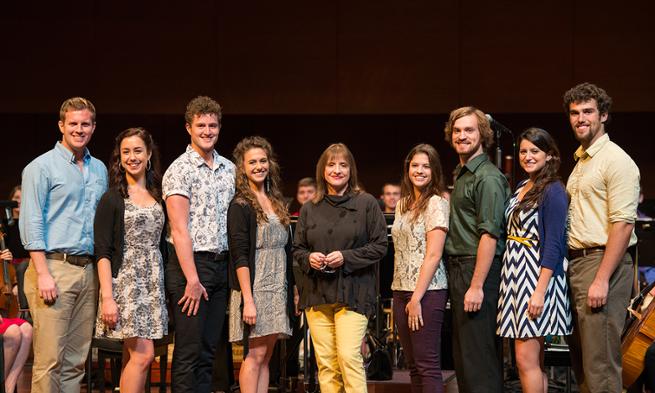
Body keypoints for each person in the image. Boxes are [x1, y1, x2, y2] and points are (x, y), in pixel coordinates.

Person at [19, 97, 108, 393]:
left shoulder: (99, 170)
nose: (79, 129)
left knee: (76, 362)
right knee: (49, 360)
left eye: (85, 124)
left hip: (88, 270)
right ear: (61, 125)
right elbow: (32, 222)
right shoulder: (41, 167)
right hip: (54, 267)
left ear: (93, 127)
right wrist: (43, 272)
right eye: (73, 123)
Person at [563, 82, 640, 393]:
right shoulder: (583, 160)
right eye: (574, 113)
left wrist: (602, 278)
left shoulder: (616, 160)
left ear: (604, 115)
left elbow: (622, 225)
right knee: (583, 361)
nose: (581, 118)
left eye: (588, 111)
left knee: (601, 364)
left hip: (602, 262)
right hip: (579, 265)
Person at [293, 142, 388, 393]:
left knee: (348, 357)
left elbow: (380, 246)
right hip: (317, 292)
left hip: (354, 293)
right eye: (331, 165)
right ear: (322, 171)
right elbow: (297, 249)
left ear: (351, 170)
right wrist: (309, 258)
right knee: (326, 364)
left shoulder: (367, 203)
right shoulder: (309, 207)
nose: (337, 170)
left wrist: (346, 257)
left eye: (343, 165)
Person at [162, 96, 235, 393]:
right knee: (188, 352)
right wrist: (192, 279)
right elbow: (179, 230)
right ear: (188, 128)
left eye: (212, 125)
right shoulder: (179, 170)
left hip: (220, 266)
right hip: (190, 268)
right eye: (201, 125)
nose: (207, 131)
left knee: (209, 353)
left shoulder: (230, 169)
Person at [496, 128, 573, 393]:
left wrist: (539, 291)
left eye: (535, 151)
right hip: (515, 275)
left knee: (525, 359)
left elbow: (553, 244)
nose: (527, 156)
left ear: (550, 155)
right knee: (533, 361)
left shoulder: (553, 191)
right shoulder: (522, 186)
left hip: (536, 277)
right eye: (523, 151)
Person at [93, 127, 169, 393]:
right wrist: (108, 297)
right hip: (126, 284)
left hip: (152, 283)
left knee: (132, 357)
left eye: (138, 151)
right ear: (119, 157)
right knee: (143, 356)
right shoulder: (112, 198)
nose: (132, 157)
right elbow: (102, 251)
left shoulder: (159, 195)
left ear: (149, 155)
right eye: (126, 152)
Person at [443, 106, 509, 393]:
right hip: (461, 268)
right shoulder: (464, 173)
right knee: (465, 359)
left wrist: (477, 285)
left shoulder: (488, 177)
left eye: (469, 130)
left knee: (479, 362)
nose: (462, 135)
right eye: (457, 130)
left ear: (482, 134)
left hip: (477, 270)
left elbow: (490, 235)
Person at [227, 136, 298, 393]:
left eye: (263, 160)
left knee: (266, 357)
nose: (259, 166)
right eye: (252, 162)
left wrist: (293, 291)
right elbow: (240, 254)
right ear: (242, 167)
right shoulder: (240, 205)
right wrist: (248, 298)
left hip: (277, 287)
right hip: (255, 288)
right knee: (254, 356)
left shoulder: (275, 200)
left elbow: (287, 249)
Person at [391, 144, 449, 393]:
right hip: (400, 289)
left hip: (427, 292)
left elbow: (434, 254)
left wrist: (416, 298)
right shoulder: (402, 204)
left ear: (434, 171)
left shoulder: (437, 203)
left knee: (427, 365)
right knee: (412, 365)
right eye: (415, 165)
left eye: (426, 166)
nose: (420, 170)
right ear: (407, 169)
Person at [0, 247, 33, 393]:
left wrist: (8, 267)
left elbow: (11, 287)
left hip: (5, 313)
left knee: (27, 329)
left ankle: (9, 385)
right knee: (13, 332)